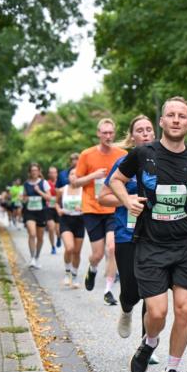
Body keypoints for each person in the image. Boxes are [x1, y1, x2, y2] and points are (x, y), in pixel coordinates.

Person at [109, 97, 187, 372]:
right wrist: (127, 199)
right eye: (170, 115)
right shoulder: (143, 154)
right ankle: (149, 342)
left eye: (181, 116)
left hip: (186, 245)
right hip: (150, 243)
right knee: (157, 313)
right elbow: (116, 181)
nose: (175, 119)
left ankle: (172, 370)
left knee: (184, 309)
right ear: (161, 122)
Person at [99, 115, 160, 365]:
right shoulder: (123, 164)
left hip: (155, 235)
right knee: (132, 290)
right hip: (126, 233)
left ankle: (148, 343)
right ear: (132, 136)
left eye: (149, 130)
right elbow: (103, 197)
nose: (145, 134)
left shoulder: (162, 162)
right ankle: (126, 308)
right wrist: (128, 199)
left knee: (152, 291)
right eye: (140, 130)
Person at [76, 119, 126, 305]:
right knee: (97, 254)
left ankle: (108, 290)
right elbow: (76, 182)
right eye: (104, 133)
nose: (108, 136)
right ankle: (93, 268)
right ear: (98, 133)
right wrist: (93, 176)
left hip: (114, 207)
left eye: (111, 133)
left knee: (112, 248)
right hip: (92, 208)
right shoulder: (86, 155)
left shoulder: (122, 154)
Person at [57, 154, 85, 288]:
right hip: (66, 220)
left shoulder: (84, 191)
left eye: (77, 174)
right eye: (72, 174)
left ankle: (74, 276)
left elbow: (91, 204)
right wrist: (58, 209)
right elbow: (52, 201)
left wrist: (84, 207)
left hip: (79, 221)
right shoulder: (63, 190)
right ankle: (67, 273)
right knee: (69, 248)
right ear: (68, 176)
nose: (74, 176)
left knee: (77, 252)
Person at [21, 163, 54, 269]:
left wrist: (39, 191)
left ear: (39, 171)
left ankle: (37, 257)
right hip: (29, 212)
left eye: (36, 170)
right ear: (29, 172)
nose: (34, 172)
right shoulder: (26, 184)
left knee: (40, 237)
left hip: (41, 212)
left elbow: (49, 198)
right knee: (32, 234)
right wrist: (23, 198)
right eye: (32, 170)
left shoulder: (44, 183)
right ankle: (32, 258)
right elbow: (24, 197)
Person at [45, 166, 61, 253]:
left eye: (54, 172)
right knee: (51, 228)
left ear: (57, 173)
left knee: (58, 230)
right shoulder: (46, 183)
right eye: (51, 172)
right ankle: (53, 247)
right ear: (48, 174)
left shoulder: (60, 182)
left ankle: (59, 237)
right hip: (49, 208)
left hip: (58, 208)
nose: (52, 174)